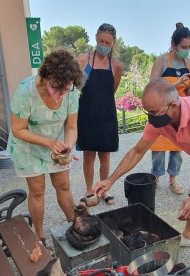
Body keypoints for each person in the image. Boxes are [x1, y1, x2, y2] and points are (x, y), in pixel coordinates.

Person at [93, 78, 190, 258]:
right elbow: (137, 151)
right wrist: (110, 180)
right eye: (147, 112)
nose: (150, 118)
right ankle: (189, 235)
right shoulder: (159, 119)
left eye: (153, 112)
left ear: (173, 106)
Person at [7, 49, 84, 245]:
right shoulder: (26, 91)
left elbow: (72, 126)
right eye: (56, 89)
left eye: (65, 90)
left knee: (64, 185)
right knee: (38, 190)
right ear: (46, 76)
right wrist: (49, 143)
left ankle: (75, 224)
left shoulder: (70, 90)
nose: (60, 96)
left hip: (56, 143)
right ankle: (39, 235)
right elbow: (18, 129)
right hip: (28, 146)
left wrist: (68, 146)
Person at [76, 23, 123, 205]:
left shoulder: (116, 65)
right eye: (101, 41)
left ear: (113, 43)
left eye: (107, 42)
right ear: (96, 38)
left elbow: (113, 89)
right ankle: (89, 190)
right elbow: (76, 86)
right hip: (87, 115)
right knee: (89, 155)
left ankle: (103, 190)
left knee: (105, 156)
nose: (103, 45)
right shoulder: (83, 60)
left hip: (106, 115)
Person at [149, 22, 190, 194]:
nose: (187, 49)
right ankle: (155, 179)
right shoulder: (161, 60)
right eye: (183, 46)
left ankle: (173, 180)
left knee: (177, 149)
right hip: (162, 111)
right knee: (159, 149)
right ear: (174, 45)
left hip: (180, 113)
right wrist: (176, 83)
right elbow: (153, 87)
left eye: (189, 46)